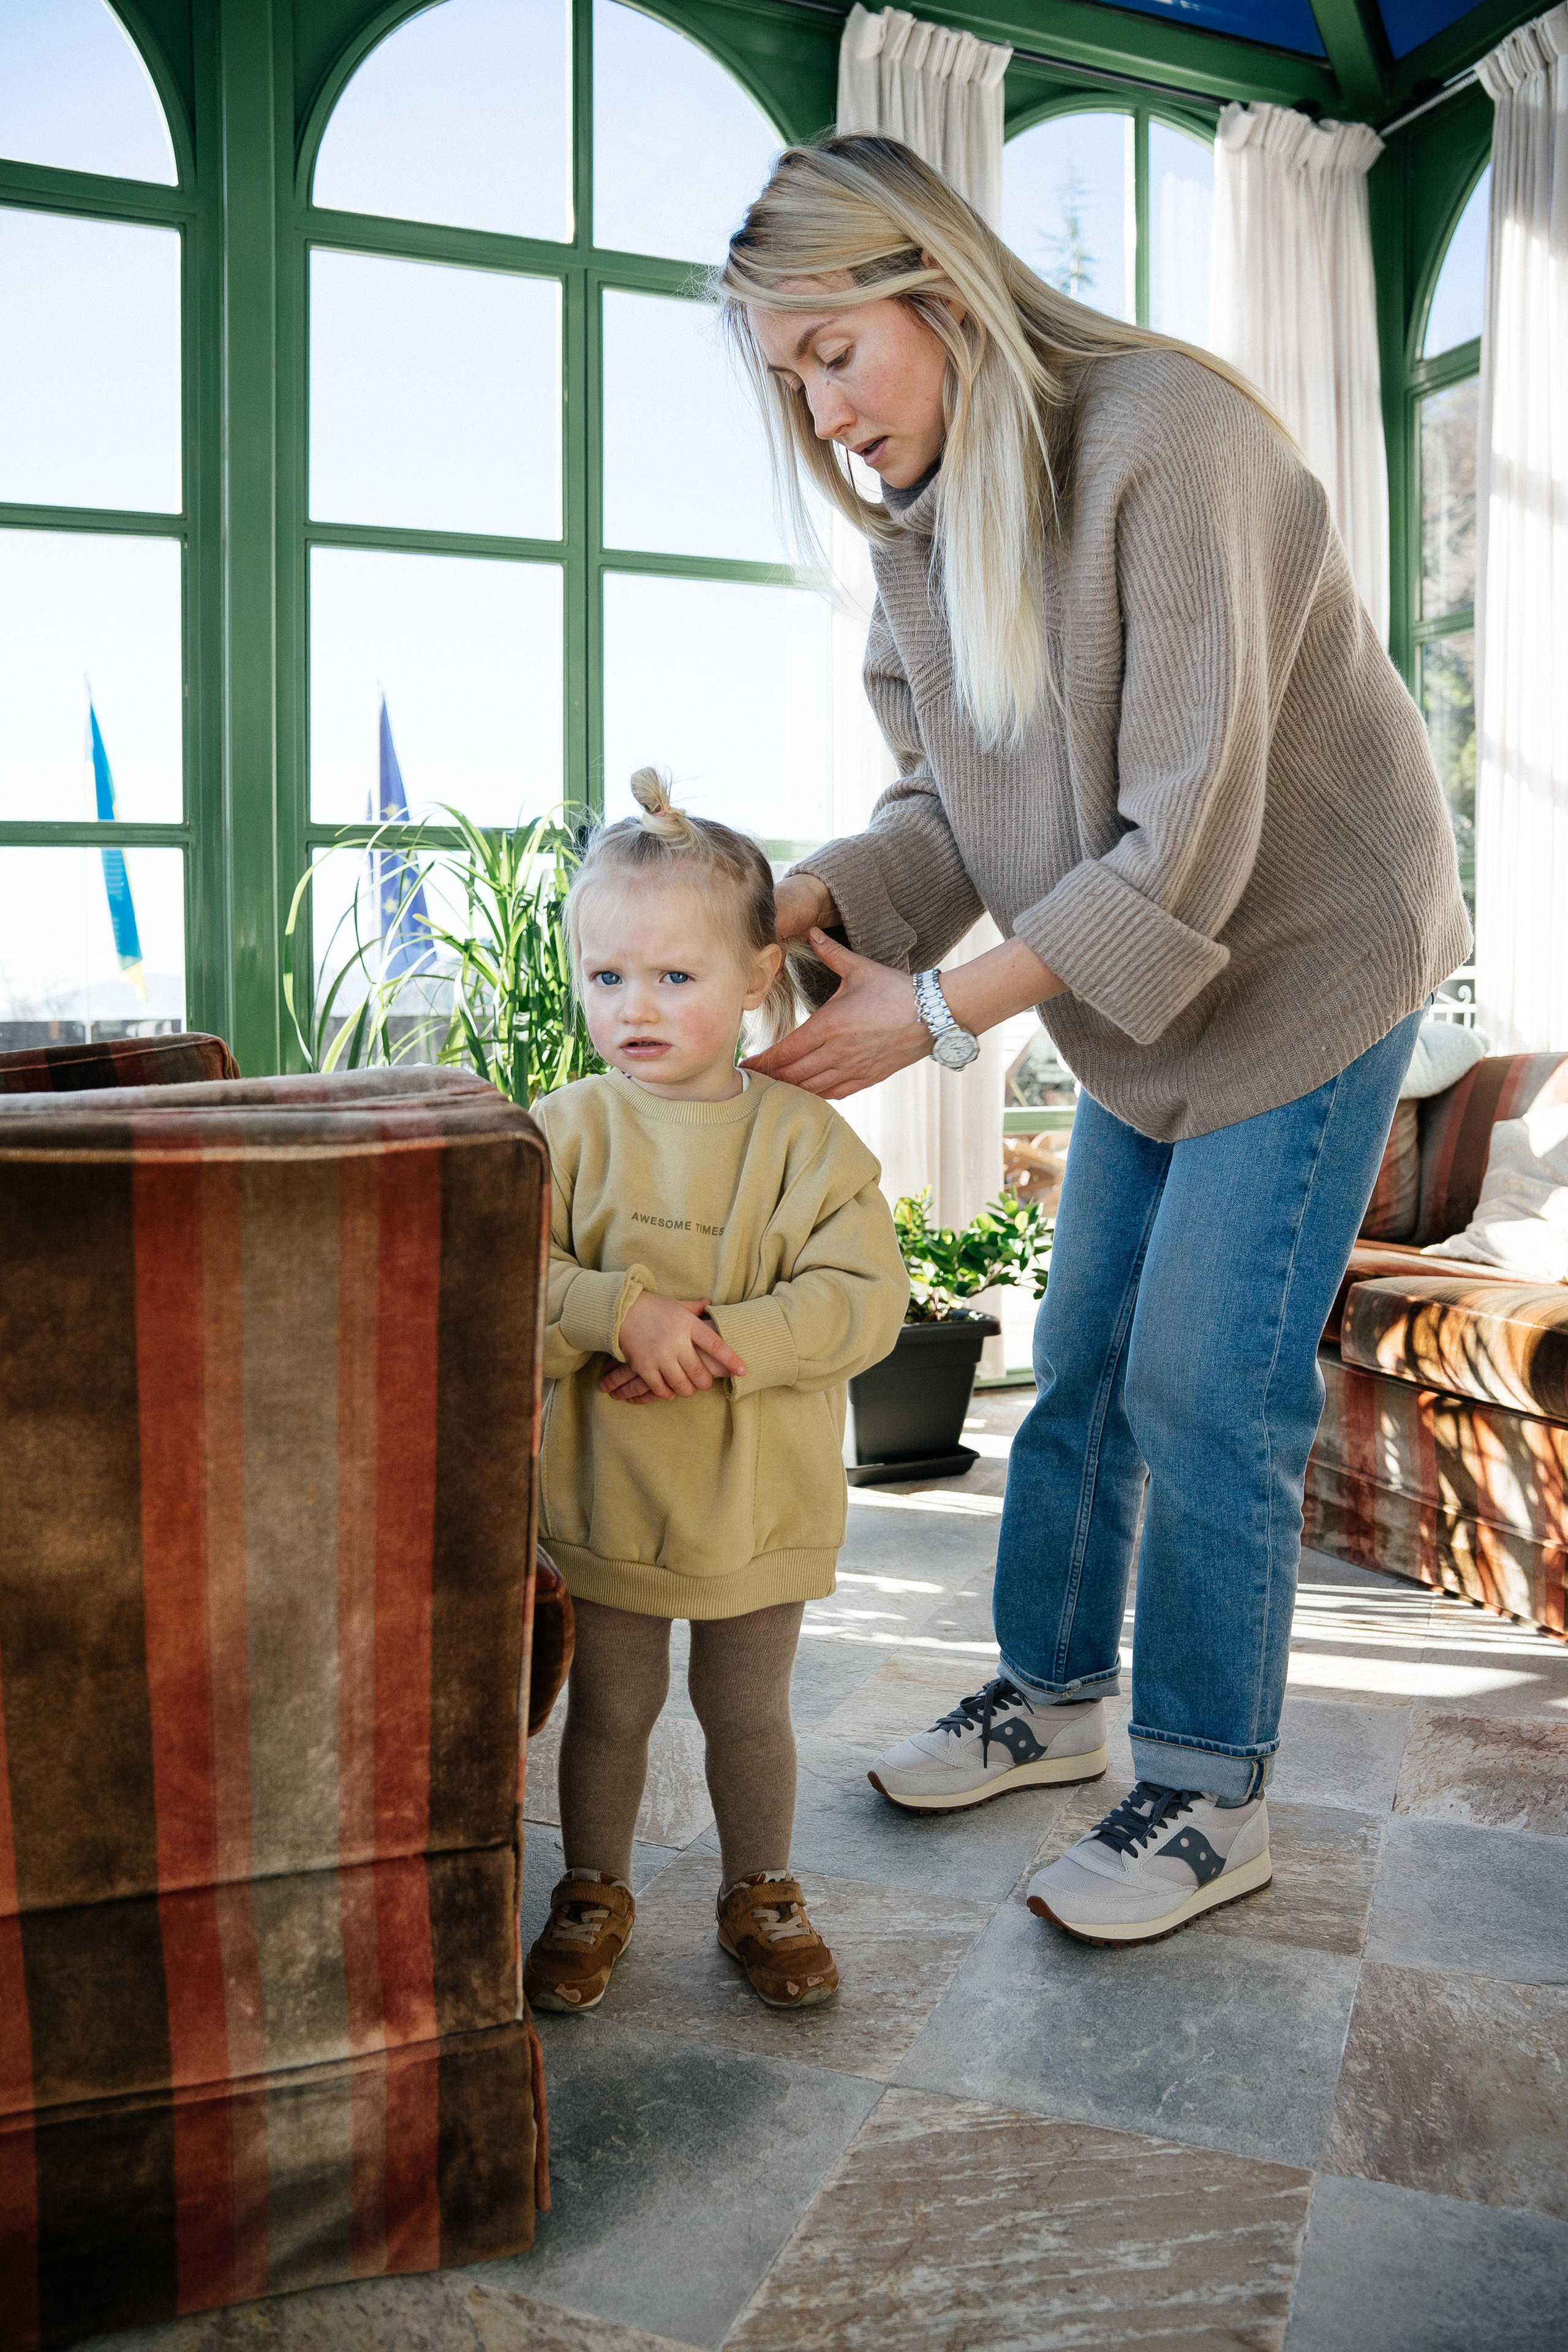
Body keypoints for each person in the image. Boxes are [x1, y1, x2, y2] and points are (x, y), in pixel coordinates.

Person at [720, 136, 1469, 1948]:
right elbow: (953, 814)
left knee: (1205, 1382)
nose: (820, 413)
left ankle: (1210, 1795)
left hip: (1307, 958)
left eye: (834, 351)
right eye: (783, 381)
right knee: (1083, 1356)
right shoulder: (921, 537)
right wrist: (823, 904)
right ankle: (1052, 1702)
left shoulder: (1165, 446)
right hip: (1147, 982)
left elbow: (1188, 843)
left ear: (942, 286)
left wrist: (943, 1020)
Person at [523, 769, 908, 2013]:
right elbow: (491, 1285)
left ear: (755, 980)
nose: (636, 1005)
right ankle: (591, 1886)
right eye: (608, 977)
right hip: (608, 1500)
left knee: (748, 1712)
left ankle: (763, 1890)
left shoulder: (807, 1142)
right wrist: (612, 1310)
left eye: (675, 978)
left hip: (760, 1505)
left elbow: (863, 1301)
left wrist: (717, 1337)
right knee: (610, 1713)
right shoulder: (558, 1133)